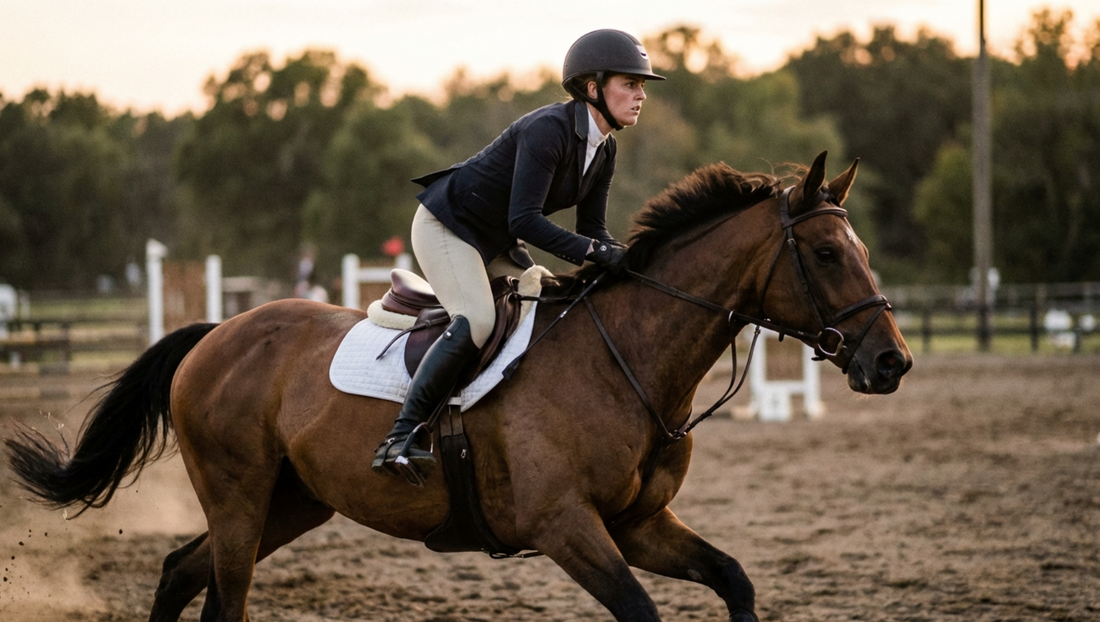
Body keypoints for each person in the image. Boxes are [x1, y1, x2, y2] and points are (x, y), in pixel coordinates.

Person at [372, 29, 665, 482]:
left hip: (497, 239)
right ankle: (401, 438)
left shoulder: (604, 148)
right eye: (630, 84)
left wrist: (625, 258)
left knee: (543, 306)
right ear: (593, 88)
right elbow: (525, 220)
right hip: (449, 225)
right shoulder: (549, 130)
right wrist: (596, 252)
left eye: (641, 86)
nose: (640, 95)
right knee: (478, 320)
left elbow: (592, 231)